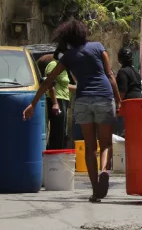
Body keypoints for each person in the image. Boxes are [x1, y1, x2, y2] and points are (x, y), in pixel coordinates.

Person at [23, 20, 121, 202]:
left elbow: (48, 81)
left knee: (90, 147)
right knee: (106, 144)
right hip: (103, 97)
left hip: (83, 100)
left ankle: (94, 191)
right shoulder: (98, 47)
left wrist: (33, 104)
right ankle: (104, 171)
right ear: (84, 33)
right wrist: (120, 100)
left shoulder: (68, 56)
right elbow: (110, 75)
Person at [42, 47, 71, 150]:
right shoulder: (53, 64)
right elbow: (50, 83)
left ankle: (59, 154)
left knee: (62, 131)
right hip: (57, 99)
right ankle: (54, 154)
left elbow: (65, 85)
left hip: (63, 99)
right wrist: (55, 103)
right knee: (57, 131)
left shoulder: (62, 67)